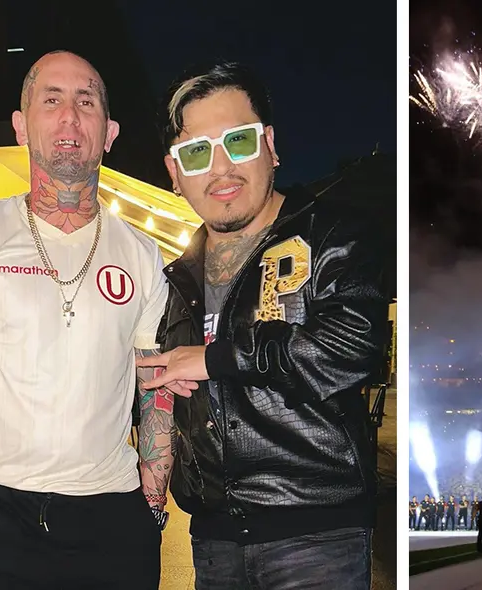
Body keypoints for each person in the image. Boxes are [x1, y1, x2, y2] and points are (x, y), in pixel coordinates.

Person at [0, 51, 171, 589]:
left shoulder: (141, 254)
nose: (69, 117)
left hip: (115, 518)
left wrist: (151, 510)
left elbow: (156, 391)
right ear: (21, 125)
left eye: (87, 102)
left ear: (109, 133)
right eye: (50, 99)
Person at [136, 62, 389, 590]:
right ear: (174, 171)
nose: (221, 167)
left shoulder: (331, 234)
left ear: (270, 145)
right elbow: (177, 389)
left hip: (315, 536)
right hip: (212, 539)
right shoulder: (177, 275)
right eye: (197, 152)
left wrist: (210, 359)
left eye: (239, 141)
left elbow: (353, 348)